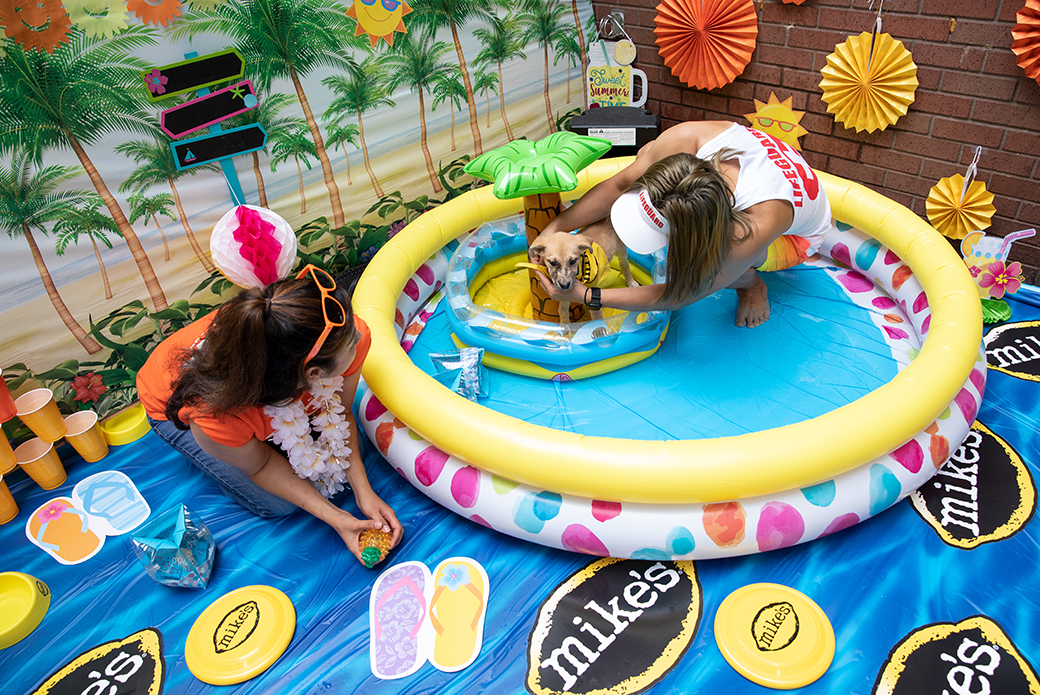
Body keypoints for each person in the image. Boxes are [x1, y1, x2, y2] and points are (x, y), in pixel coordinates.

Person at [137, 264, 403, 564]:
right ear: (313, 373)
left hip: (273, 380)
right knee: (280, 504)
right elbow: (260, 464)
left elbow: (341, 414)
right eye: (350, 341)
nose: (360, 334)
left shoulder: (349, 332)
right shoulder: (213, 414)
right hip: (170, 404)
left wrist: (363, 490)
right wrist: (336, 518)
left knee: (348, 459)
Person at [532, 120, 833, 327]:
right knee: (645, 153)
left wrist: (585, 295)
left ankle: (752, 286)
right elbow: (619, 184)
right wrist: (555, 228)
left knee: (721, 263)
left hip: (796, 237)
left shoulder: (751, 227)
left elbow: (681, 294)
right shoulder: (686, 138)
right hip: (761, 180)